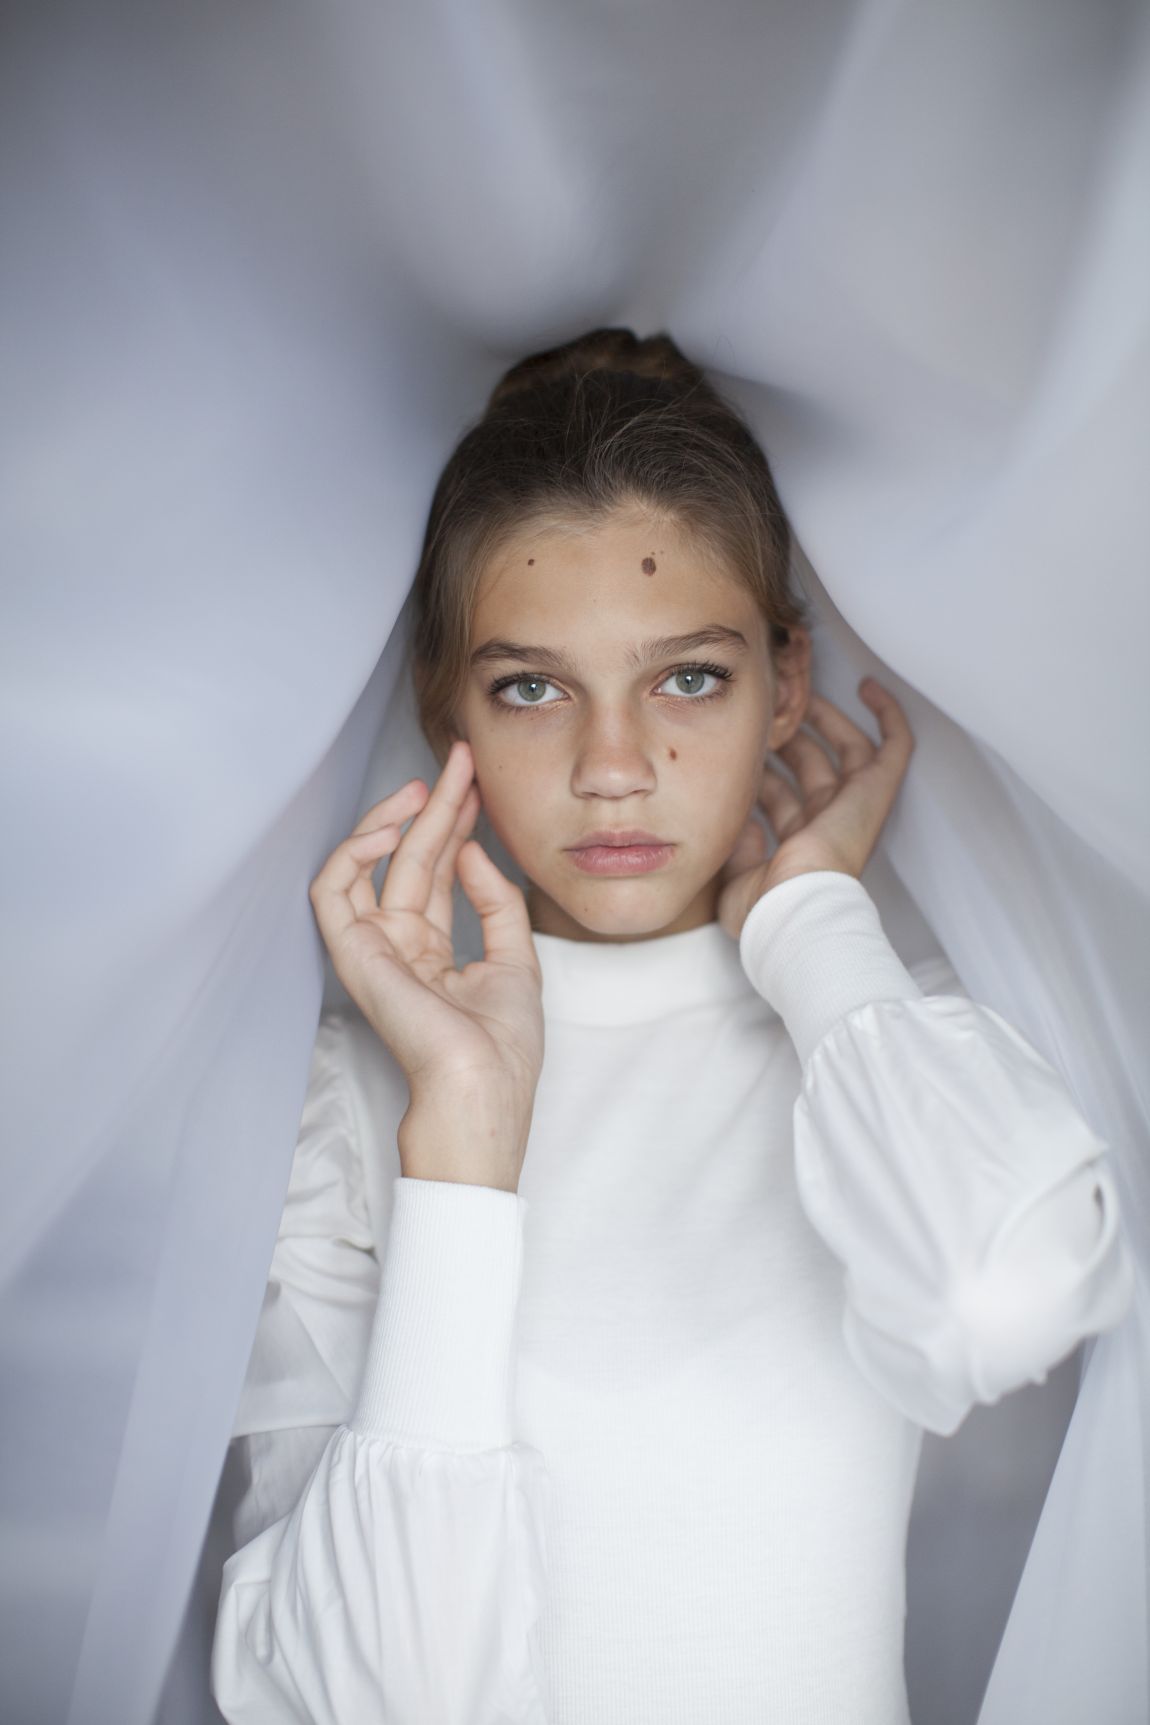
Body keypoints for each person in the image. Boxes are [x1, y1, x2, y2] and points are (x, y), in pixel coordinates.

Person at [209, 328, 1134, 1725]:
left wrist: (810, 926)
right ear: (446, 708)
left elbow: (1007, 1301)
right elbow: (373, 1702)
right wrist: (462, 1147)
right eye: (532, 687)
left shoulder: (874, 1042)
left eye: (687, 677)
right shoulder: (353, 1104)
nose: (614, 767)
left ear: (786, 685)